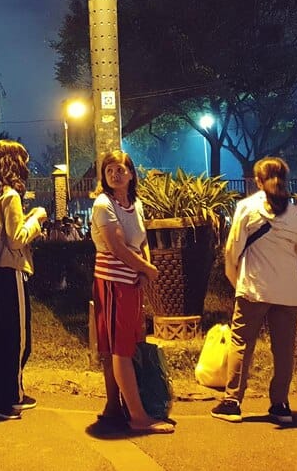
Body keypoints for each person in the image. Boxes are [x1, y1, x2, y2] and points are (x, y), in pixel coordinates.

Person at [212, 157, 297, 425]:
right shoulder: (295, 214)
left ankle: (232, 401)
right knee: (284, 349)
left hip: (254, 287)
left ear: (257, 180)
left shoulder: (247, 208)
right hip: (289, 292)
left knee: (241, 344)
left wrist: (237, 282)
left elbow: (232, 250)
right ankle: (280, 404)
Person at [90, 150, 172, 434]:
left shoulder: (135, 203)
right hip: (114, 282)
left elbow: (140, 240)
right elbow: (116, 246)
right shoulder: (103, 204)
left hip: (131, 282)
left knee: (122, 345)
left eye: (120, 170)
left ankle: (115, 407)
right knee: (120, 348)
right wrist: (147, 270)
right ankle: (138, 417)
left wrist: (143, 268)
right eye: (110, 170)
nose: (115, 174)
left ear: (131, 174)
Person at [0, 140, 46, 420]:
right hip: (11, 272)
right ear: (14, 164)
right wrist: (36, 219)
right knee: (17, 339)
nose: (27, 167)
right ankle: (11, 398)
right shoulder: (11, 197)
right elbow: (17, 240)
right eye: (24, 161)